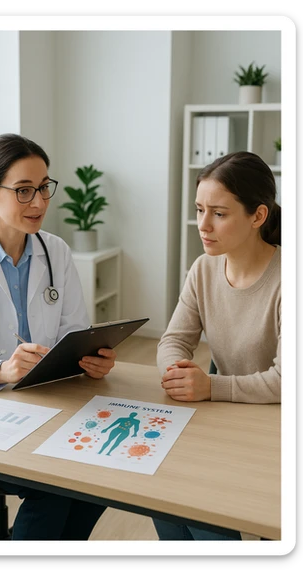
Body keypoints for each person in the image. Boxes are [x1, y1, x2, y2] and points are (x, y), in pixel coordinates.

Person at [0, 133, 117, 540]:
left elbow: (75, 332)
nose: (39, 203)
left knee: (101, 475)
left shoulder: (55, 251)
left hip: (50, 405)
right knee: (57, 488)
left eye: (43, 188)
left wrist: (93, 357)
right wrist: (0, 370)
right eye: (23, 191)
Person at [153, 151, 281, 541]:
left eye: (219, 214)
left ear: (258, 216)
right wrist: (176, 371)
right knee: (161, 496)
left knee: (204, 513)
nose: (203, 225)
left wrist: (212, 387)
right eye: (199, 210)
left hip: (275, 426)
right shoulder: (204, 269)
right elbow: (174, 339)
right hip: (230, 416)